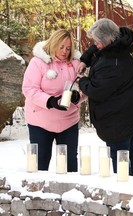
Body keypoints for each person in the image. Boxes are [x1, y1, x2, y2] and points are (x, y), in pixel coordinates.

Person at [78, 18, 133, 177]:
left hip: (120, 118)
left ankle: (125, 193)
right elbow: (99, 48)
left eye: (98, 42)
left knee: (120, 157)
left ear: (109, 40)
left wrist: (81, 80)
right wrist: (85, 59)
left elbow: (97, 90)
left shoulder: (113, 62)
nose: (96, 45)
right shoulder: (126, 44)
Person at [22, 29, 85, 172]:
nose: (64, 51)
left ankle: (70, 192)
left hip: (68, 120)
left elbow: (85, 87)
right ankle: (37, 193)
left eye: (68, 48)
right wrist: (50, 101)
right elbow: (29, 89)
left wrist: (78, 96)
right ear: (53, 44)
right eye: (61, 47)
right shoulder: (37, 62)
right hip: (40, 121)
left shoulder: (76, 64)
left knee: (69, 163)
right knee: (40, 162)